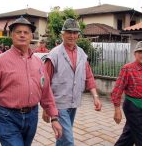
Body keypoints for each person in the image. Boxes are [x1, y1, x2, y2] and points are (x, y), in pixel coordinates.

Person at [0, 17, 62, 145]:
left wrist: (54, 117)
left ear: (31, 36)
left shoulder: (38, 62)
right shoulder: (0, 62)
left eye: (26, 32)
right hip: (8, 117)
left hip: (32, 117)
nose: (22, 35)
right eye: (18, 32)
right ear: (12, 35)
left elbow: (46, 91)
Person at [42, 18, 102, 146]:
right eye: (69, 32)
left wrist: (95, 97)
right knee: (69, 141)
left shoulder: (82, 54)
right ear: (62, 34)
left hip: (74, 102)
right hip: (58, 104)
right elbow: (44, 82)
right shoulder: (54, 55)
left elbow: (89, 77)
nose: (72, 36)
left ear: (78, 35)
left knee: (61, 136)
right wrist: (46, 108)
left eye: (75, 33)